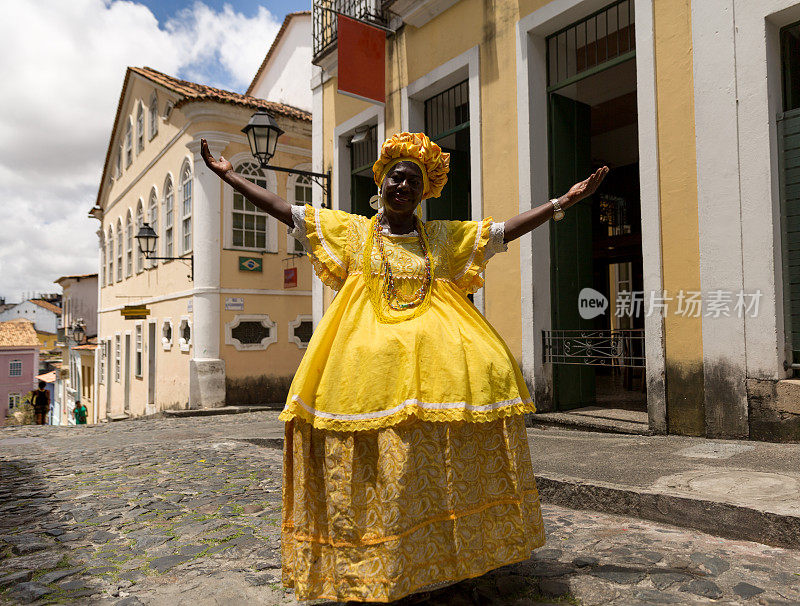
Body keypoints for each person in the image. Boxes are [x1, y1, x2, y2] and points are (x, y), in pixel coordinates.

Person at [201, 132, 607, 602]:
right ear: (381, 180)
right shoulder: (351, 232)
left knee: (429, 466)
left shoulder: (440, 238)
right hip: (361, 378)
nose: (403, 186)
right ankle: (372, 562)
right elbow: (287, 211)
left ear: (424, 191)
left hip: (437, 376)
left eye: (414, 181)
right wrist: (231, 178)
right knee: (378, 471)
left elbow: (500, 232)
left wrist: (562, 202)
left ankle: (440, 557)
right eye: (397, 176)